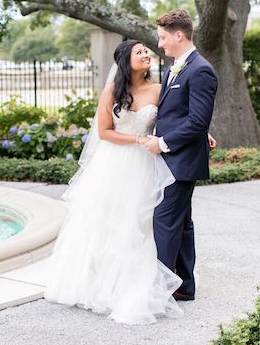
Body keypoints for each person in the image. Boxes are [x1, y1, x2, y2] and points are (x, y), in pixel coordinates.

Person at [44, 40, 183, 324]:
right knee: (103, 220)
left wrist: (198, 135)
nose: (146, 54)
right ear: (125, 61)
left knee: (138, 221)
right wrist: (136, 139)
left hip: (144, 164)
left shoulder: (159, 89)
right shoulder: (112, 91)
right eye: (139, 52)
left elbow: (175, 120)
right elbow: (105, 132)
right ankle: (93, 283)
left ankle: (131, 281)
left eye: (147, 51)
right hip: (113, 163)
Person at [143, 9, 218, 302]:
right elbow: (182, 115)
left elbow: (197, 121)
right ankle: (184, 285)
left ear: (178, 35)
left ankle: (160, 290)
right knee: (182, 223)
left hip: (181, 161)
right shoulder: (175, 67)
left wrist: (161, 143)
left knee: (164, 221)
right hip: (175, 158)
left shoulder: (200, 69)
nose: (160, 44)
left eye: (163, 37)